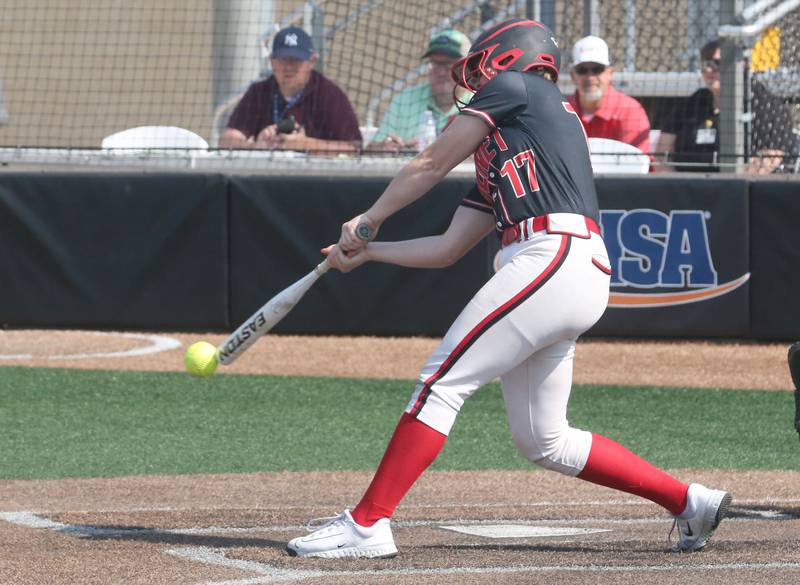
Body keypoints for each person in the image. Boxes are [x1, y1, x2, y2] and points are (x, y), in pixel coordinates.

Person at [286, 18, 731, 560]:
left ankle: (368, 523)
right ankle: (691, 501)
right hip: (566, 267)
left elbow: (429, 162)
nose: (472, 75)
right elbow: (450, 248)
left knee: (440, 385)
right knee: (545, 440)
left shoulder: (521, 86)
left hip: (552, 254)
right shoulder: (513, 140)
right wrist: (370, 254)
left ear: (509, 56)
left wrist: (369, 221)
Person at [657, 38, 795, 174]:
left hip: (745, 189)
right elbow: (661, 153)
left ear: (742, 66)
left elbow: (769, 159)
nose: (709, 70)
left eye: (717, 64)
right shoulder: (694, 102)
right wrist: (679, 185)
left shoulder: (766, 105)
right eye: (705, 64)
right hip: (687, 188)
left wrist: (724, 187)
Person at [218, 26, 362, 152]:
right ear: (271, 62)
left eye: (296, 60)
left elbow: (354, 148)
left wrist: (306, 145)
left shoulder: (329, 95)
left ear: (312, 62)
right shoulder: (259, 92)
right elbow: (226, 140)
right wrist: (256, 147)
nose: (288, 67)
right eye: (283, 59)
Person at [368, 30, 471, 152]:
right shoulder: (406, 98)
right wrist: (394, 148)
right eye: (435, 64)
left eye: (449, 64)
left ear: (467, 67)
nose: (441, 72)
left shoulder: (482, 101)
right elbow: (371, 148)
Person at [567, 36, 651, 153]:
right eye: (582, 70)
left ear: (610, 73)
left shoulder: (629, 110)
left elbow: (636, 165)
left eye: (597, 69)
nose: (590, 77)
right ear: (572, 75)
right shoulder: (560, 109)